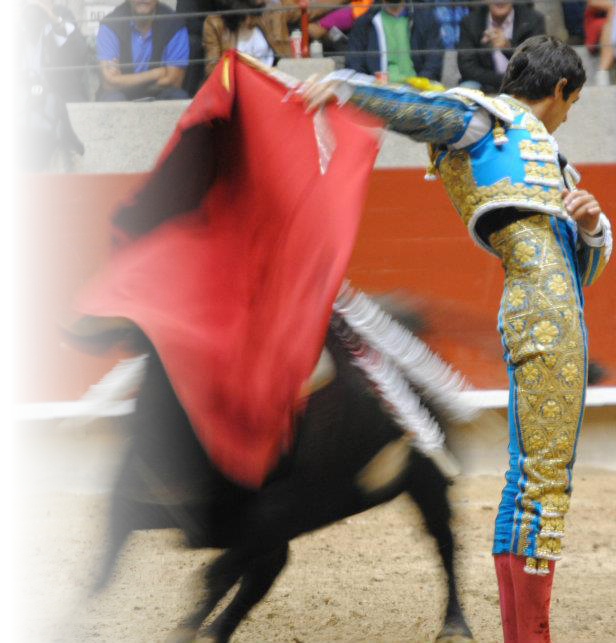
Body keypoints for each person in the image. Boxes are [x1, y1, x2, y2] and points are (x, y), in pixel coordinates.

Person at [302, 34, 612, 642]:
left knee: (532, 479)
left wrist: (591, 226)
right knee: (544, 483)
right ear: (560, 91)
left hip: (551, 306)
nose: (569, 114)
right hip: (543, 312)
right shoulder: (487, 121)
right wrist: (347, 89)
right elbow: (424, 114)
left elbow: (581, 270)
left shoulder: (549, 159)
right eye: (572, 103)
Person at [96, 0, 190, 101]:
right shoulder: (111, 24)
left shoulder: (174, 24)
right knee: (112, 98)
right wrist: (155, 74)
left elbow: (174, 82)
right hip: (120, 95)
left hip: (158, 94)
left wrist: (122, 81)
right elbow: (109, 84)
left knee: (177, 96)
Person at [0, 0, 88, 102]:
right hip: (13, 93)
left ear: (52, 3)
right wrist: (7, 28)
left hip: (56, 93)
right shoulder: (8, 13)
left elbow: (81, 53)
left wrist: (58, 26)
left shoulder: (61, 14)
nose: (37, 4)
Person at [457, 0, 545, 93]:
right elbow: (467, 67)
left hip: (520, 84)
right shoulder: (469, 22)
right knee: (467, 88)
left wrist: (508, 48)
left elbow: (535, 65)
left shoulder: (533, 20)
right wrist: (503, 81)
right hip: (485, 83)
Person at [345, 0, 444, 83]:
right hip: (378, 93)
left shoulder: (426, 18)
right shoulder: (364, 23)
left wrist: (419, 85)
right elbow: (354, 65)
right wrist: (372, 83)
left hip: (418, 93)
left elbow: (434, 63)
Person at [202, 0, 290, 77]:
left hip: (271, 78)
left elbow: (297, 12)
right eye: (244, 17)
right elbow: (211, 69)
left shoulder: (271, 13)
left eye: (252, 15)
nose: (249, 21)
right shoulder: (214, 23)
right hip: (238, 84)